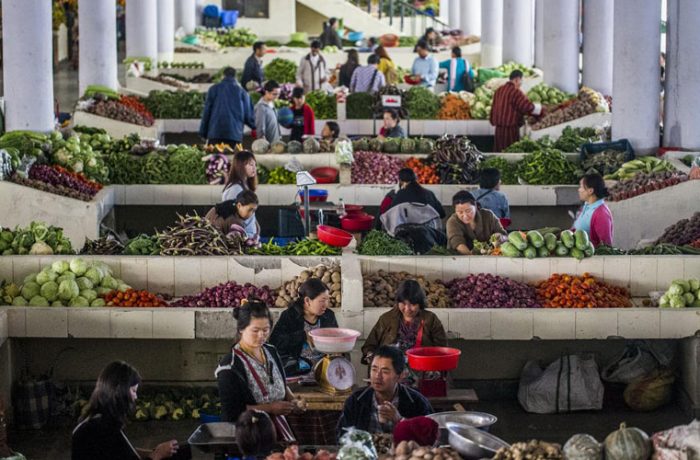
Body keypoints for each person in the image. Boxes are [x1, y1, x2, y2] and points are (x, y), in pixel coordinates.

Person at [216, 298, 306, 431]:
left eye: (266, 330)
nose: (261, 336)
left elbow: (279, 381)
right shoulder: (230, 366)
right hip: (248, 434)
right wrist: (270, 408)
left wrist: (294, 400)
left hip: (278, 429)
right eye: (255, 330)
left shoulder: (270, 350)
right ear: (241, 329)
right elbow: (231, 412)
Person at [72, 361, 184, 460]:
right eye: (134, 391)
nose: (135, 397)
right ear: (119, 390)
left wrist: (154, 452)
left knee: (180, 453)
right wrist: (157, 455)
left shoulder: (96, 420)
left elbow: (120, 452)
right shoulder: (101, 428)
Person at [336, 346, 433, 439]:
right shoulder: (356, 400)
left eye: (385, 371)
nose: (377, 376)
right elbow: (341, 436)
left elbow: (431, 438)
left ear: (400, 376)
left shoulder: (417, 402)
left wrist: (399, 420)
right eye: (374, 369)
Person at [362, 280, 447, 361]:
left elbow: (442, 351)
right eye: (403, 303)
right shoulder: (386, 319)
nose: (407, 309)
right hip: (391, 371)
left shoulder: (431, 319)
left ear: (420, 304)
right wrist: (371, 356)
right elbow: (369, 346)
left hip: (422, 369)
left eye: (413, 304)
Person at [268, 278, 338, 371]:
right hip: (297, 370)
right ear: (307, 300)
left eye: (327, 300)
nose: (326, 304)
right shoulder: (290, 315)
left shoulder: (328, 315)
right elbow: (275, 342)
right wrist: (303, 336)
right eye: (322, 301)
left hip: (324, 370)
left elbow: (336, 339)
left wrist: (337, 350)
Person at [199, 67, 255, 148]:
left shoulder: (213, 89)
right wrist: (256, 128)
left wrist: (203, 133)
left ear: (223, 76)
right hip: (234, 135)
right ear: (236, 77)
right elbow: (248, 116)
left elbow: (207, 112)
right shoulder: (242, 92)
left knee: (214, 159)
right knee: (233, 159)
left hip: (215, 133)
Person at [490, 70, 542, 152]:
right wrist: (540, 108)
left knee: (499, 152)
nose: (521, 84)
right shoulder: (515, 92)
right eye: (521, 81)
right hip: (510, 129)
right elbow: (526, 106)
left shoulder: (499, 90)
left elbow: (493, 108)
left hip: (498, 129)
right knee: (510, 151)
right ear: (517, 79)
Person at [446, 190, 506, 255]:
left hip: (490, 257)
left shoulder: (488, 215)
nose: (465, 216)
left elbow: (504, 235)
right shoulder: (452, 221)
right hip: (460, 260)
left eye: (468, 211)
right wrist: (473, 259)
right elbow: (458, 243)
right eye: (460, 212)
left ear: (475, 206)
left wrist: (500, 237)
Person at [572, 173, 614, 247]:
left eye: (581, 187)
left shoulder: (601, 214)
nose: (579, 190)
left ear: (590, 191)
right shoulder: (587, 205)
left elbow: (606, 245)